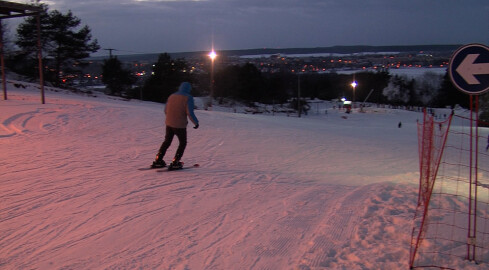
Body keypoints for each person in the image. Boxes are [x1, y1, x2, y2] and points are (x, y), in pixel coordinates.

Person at [152, 82, 199, 169]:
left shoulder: (172, 96)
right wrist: (196, 123)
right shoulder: (188, 97)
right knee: (182, 143)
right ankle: (175, 162)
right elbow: (190, 112)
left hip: (169, 123)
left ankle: (158, 160)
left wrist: (171, 118)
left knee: (167, 141)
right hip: (180, 125)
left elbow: (166, 110)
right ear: (189, 89)